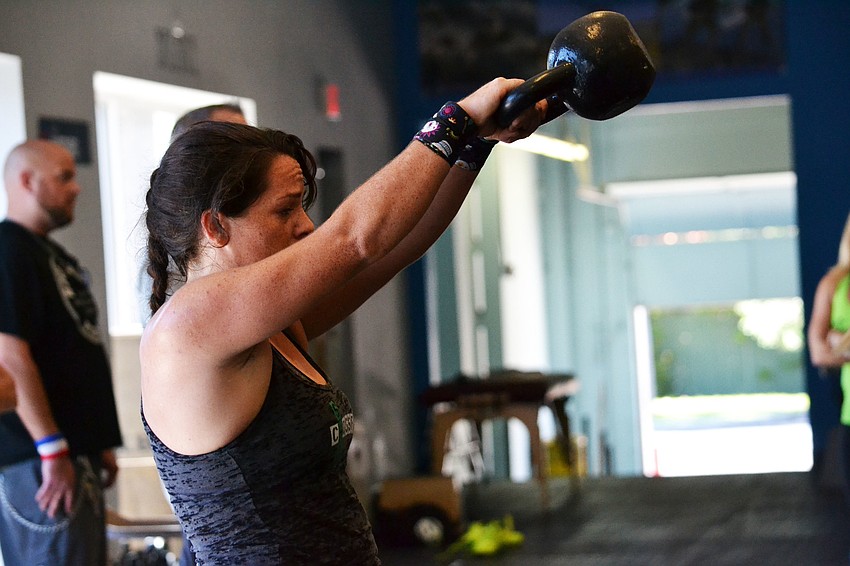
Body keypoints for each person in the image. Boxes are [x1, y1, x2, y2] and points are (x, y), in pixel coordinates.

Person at [140, 77, 546, 564]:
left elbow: (396, 246)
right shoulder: (190, 324)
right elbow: (356, 239)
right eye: (285, 209)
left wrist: (477, 143)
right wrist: (456, 119)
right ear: (215, 224)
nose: (305, 225)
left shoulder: (274, 325)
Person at [0, 140, 123, 565]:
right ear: (28, 182)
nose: (76, 188)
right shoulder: (7, 249)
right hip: (39, 463)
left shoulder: (48, 253)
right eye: (64, 177)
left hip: (69, 454)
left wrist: (94, 441)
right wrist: (51, 448)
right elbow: (9, 356)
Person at [808, 211, 850, 503]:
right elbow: (819, 353)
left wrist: (840, 338)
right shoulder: (834, 283)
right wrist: (838, 345)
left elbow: (832, 345)